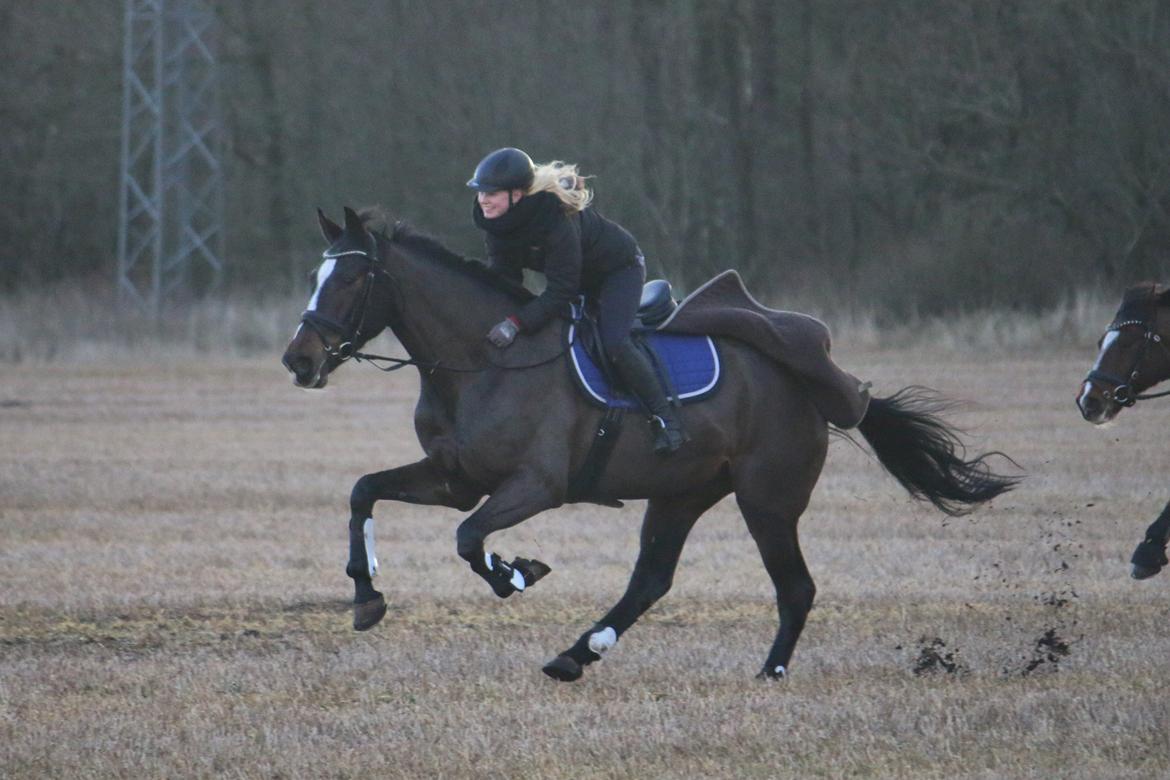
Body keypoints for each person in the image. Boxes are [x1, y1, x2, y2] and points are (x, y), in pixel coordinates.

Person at [468, 147, 687, 455]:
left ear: (517, 194)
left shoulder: (554, 219)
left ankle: (666, 420)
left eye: (491, 193)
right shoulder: (495, 222)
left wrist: (517, 322)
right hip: (575, 278)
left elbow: (561, 291)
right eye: (480, 192)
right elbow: (505, 279)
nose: (483, 199)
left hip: (617, 271)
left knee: (614, 342)